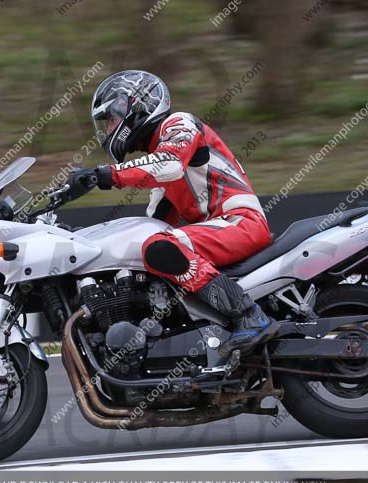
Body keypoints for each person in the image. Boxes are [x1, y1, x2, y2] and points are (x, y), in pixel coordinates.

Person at [68, 70, 278, 358]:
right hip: (219, 228)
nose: (109, 129)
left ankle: (250, 316)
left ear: (136, 107)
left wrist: (106, 175)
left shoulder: (179, 123)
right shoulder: (161, 162)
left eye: (112, 119)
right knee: (149, 248)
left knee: (160, 248)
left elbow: (169, 164)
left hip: (240, 221)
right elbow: (152, 222)